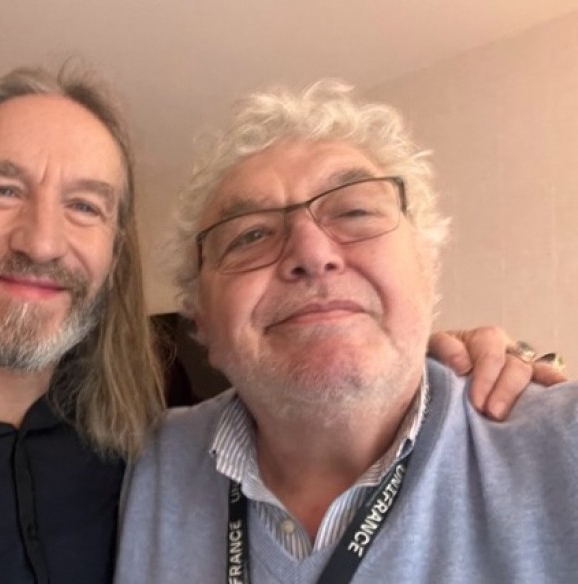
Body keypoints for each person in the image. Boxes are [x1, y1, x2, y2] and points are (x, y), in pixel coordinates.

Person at [0, 66, 556, 584]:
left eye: (85, 205)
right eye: (2, 189)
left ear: (115, 258)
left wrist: (443, 361)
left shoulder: (139, 432)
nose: (41, 240)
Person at [115, 80, 574, 583]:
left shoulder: (563, 446)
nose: (312, 254)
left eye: (355, 212)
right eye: (251, 235)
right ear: (201, 319)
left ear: (427, 267)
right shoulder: (137, 466)